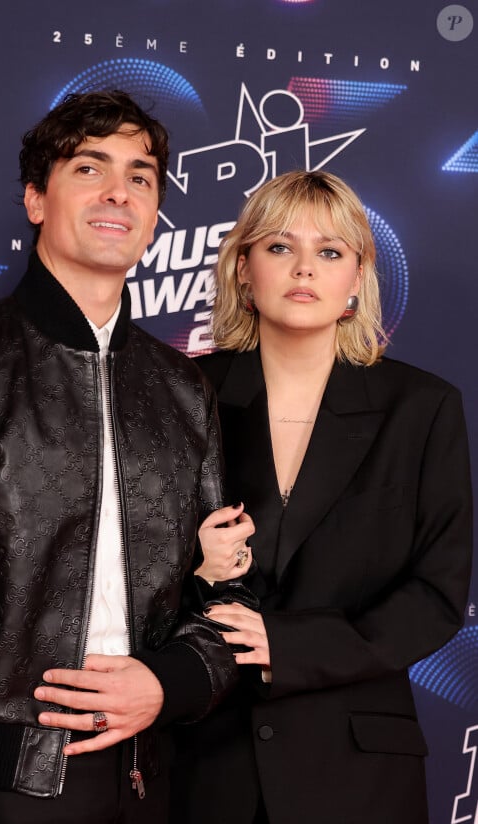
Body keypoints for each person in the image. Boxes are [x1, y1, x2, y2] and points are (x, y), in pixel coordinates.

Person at [0, 90, 241, 824]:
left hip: (153, 778)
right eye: (90, 167)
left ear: (154, 212)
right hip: (2, 790)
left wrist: (171, 680)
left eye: (141, 176)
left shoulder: (184, 389)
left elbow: (225, 588)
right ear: (34, 198)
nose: (120, 190)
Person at [171, 170, 473, 824]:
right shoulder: (182, 395)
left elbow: (438, 593)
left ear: (357, 277)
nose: (304, 269)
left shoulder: (422, 408)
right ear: (243, 268)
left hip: (360, 768)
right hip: (205, 761)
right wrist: (194, 572)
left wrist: (291, 646)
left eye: (330, 252)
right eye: (280, 248)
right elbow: (120, 575)